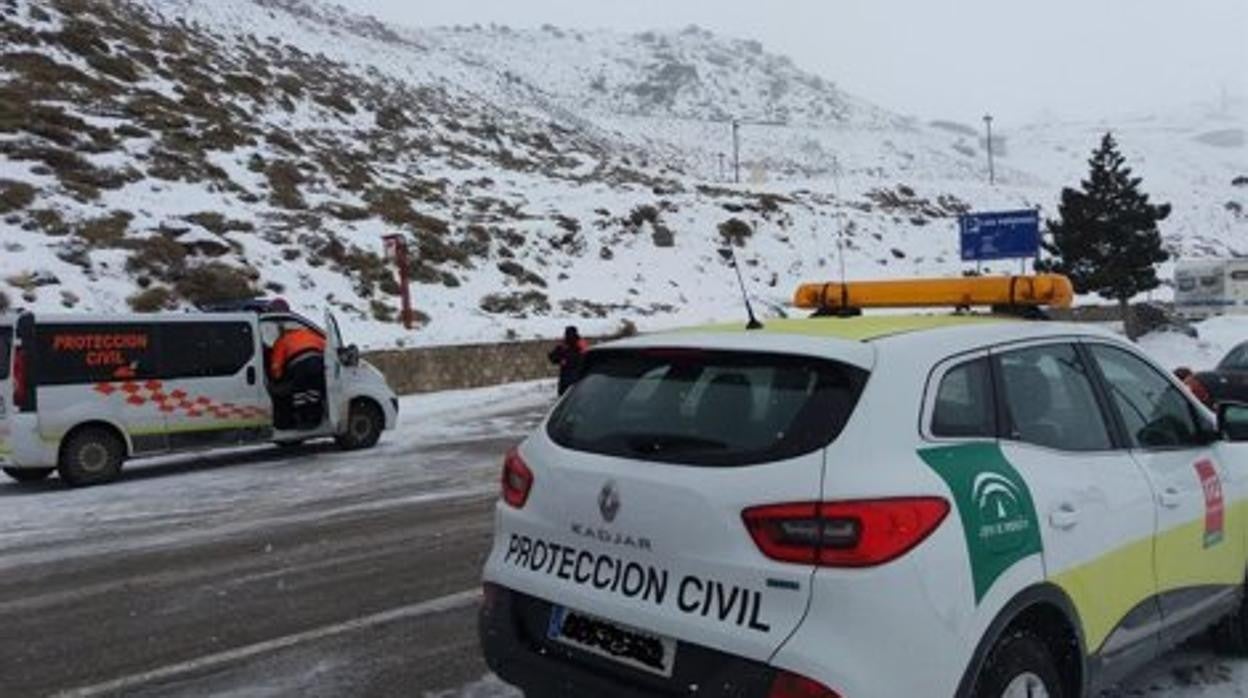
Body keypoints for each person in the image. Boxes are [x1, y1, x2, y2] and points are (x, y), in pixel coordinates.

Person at [270, 325, 328, 429]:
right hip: (317, 363)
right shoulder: (311, 334)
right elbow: (328, 349)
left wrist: (277, 378)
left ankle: (303, 419)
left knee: (300, 393)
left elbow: (276, 364)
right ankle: (315, 418)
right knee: (314, 390)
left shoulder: (283, 340)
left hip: (299, 366)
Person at [548, 325, 589, 396]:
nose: (567, 336)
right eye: (567, 334)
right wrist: (560, 360)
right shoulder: (563, 345)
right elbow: (552, 357)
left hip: (577, 378)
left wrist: (566, 360)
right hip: (566, 378)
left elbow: (584, 358)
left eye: (569, 334)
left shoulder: (580, 344)